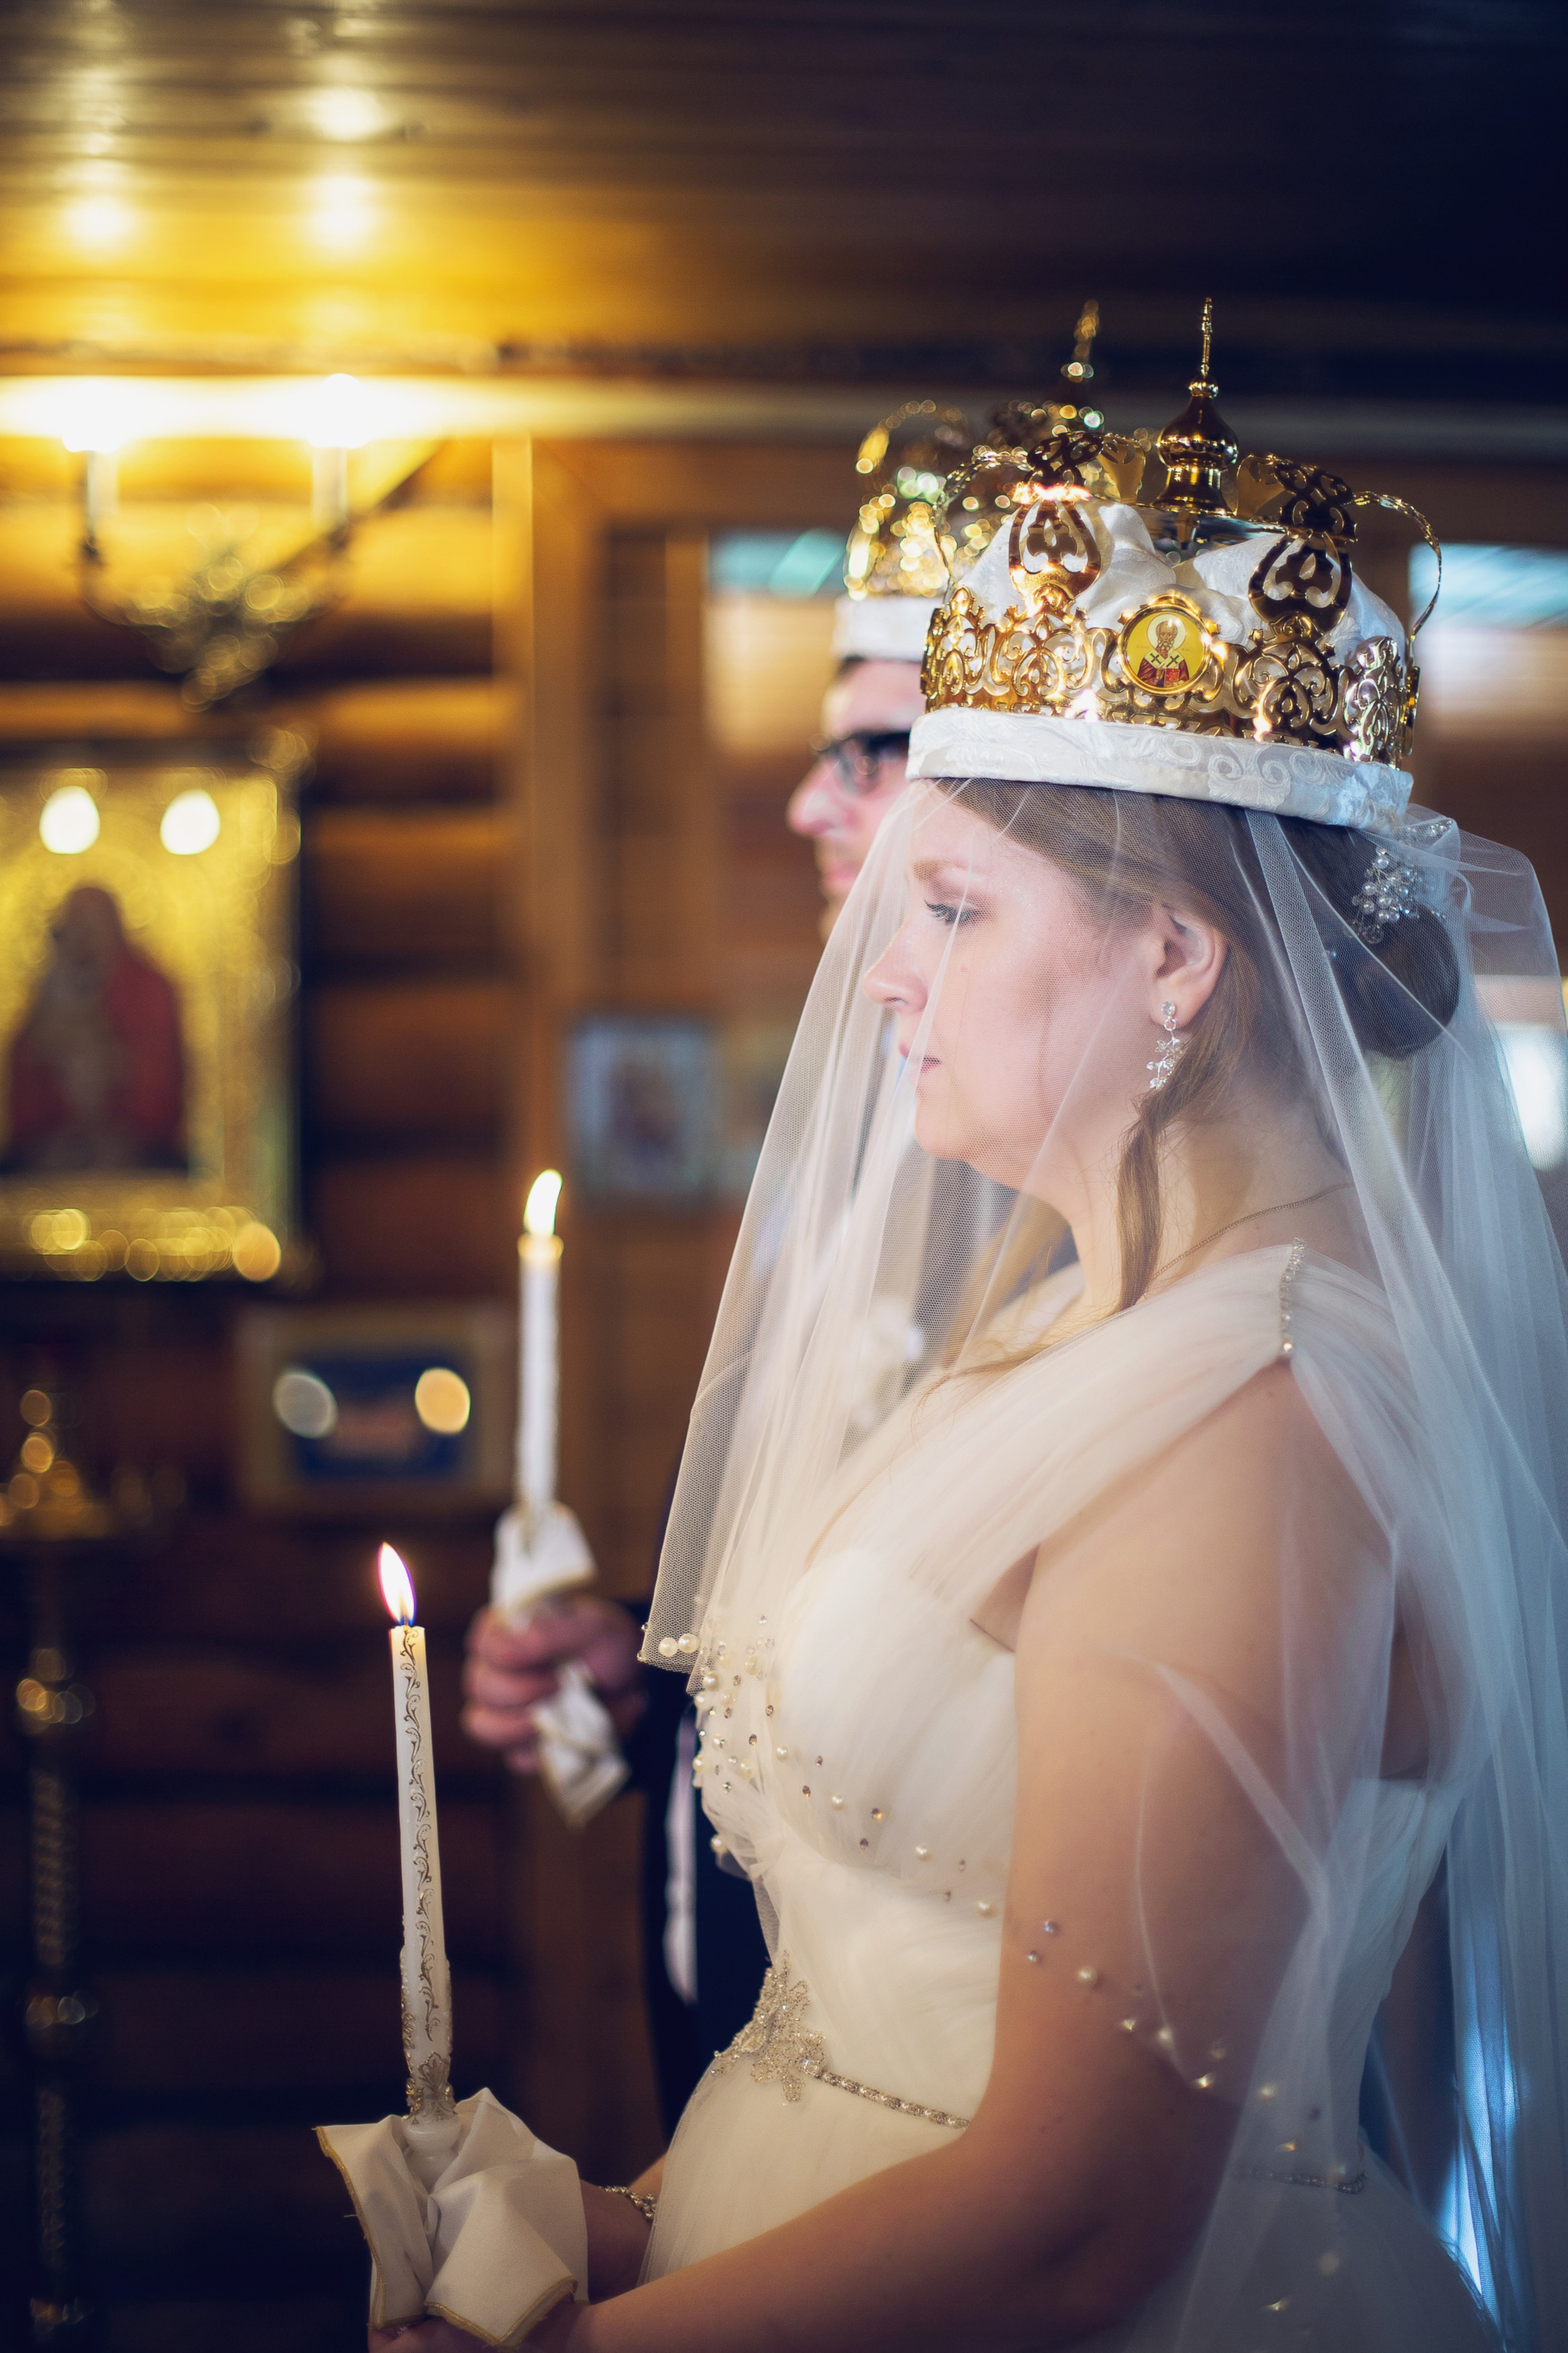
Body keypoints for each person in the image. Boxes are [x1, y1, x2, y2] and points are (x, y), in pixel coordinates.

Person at [399, 340, 1568, 2351]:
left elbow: (1081, 2216)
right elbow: (860, 2019)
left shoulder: (1261, 1414)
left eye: (948, 906)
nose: (886, 983)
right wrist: (608, 2221)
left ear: (1176, 956)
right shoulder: (1053, 1318)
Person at [460, 400, 975, 2133]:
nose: (810, 796)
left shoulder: (1080, 1210)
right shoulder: (864, 1146)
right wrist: (636, 1666)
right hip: (755, 2057)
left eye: (875, 747)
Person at [4, 883, 185, 1171]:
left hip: (132, 1144)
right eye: (76, 923)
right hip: (57, 1143)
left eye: (93, 922)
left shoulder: (148, 988)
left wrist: (111, 1062)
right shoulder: (52, 984)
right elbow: (28, 1067)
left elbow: (157, 1083)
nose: (85, 935)